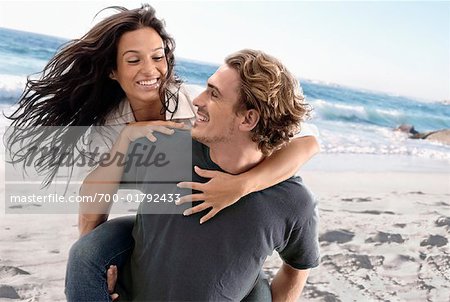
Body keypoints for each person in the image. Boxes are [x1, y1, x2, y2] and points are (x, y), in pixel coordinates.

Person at [4, 4, 318, 301]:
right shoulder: (111, 128)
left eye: (157, 57)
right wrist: (100, 272)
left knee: (249, 285)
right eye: (133, 60)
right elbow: (93, 208)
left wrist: (242, 185)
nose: (150, 70)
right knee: (87, 252)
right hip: (152, 218)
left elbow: (306, 141)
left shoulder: (189, 103)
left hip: (184, 210)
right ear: (113, 71)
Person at [109, 49, 319, 301]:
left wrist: (242, 186)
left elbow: (298, 267)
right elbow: (96, 187)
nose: (197, 100)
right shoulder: (164, 147)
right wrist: (98, 276)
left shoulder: (292, 201)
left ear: (248, 118)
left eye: (214, 94)